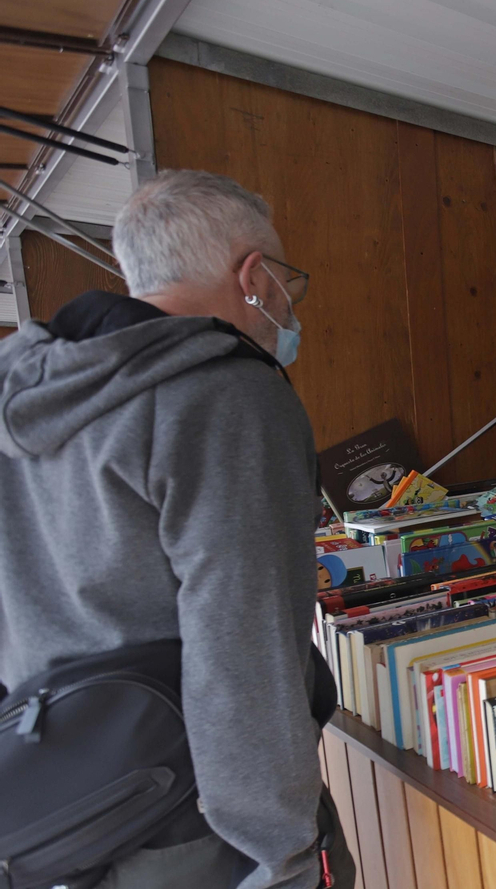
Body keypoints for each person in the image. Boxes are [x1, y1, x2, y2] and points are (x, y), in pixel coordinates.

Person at [0, 171, 352, 888]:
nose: (286, 297)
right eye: (284, 276)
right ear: (252, 275)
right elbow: (245, 639)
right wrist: (283, 852)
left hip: (59, 816)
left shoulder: (22, 393)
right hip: (201, 829)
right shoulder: (225, 395)